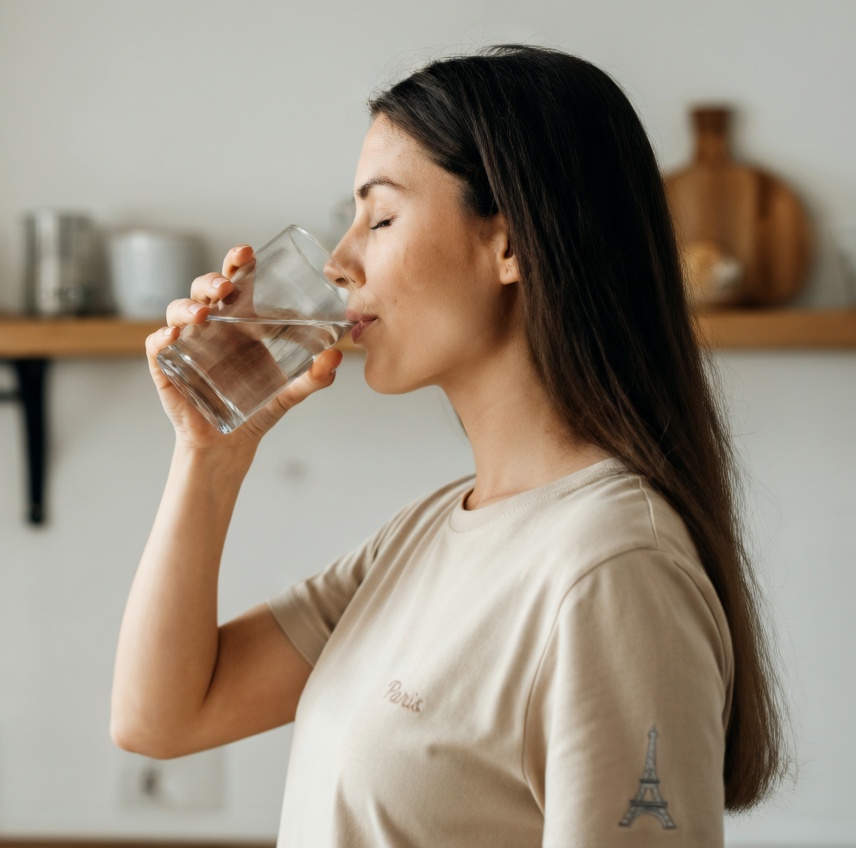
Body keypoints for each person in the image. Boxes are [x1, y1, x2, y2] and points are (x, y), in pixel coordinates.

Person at [110, 44, 788, 846]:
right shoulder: (427, 533)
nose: (339, 263)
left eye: (381, 218)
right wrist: (209, 453)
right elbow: (161, 718)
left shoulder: (613, 572)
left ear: (512, 245)